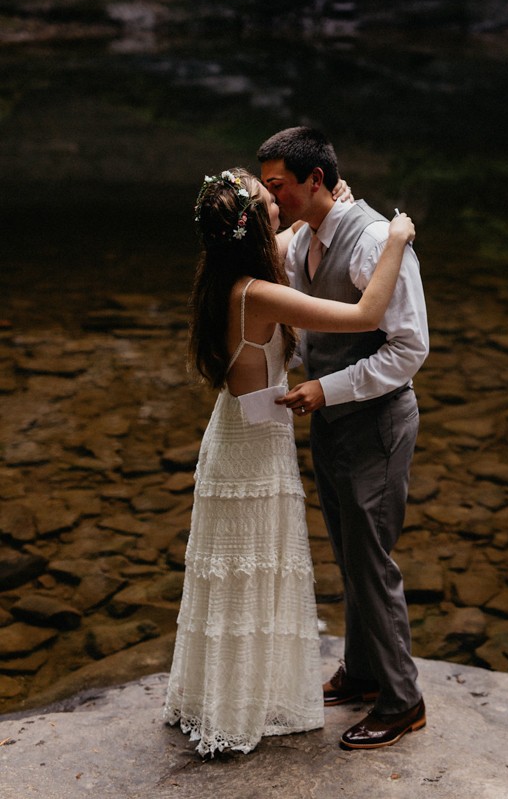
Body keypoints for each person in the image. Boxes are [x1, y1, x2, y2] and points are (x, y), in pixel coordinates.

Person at [163, 167, 416, 758]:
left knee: (232, 575)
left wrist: (326, 209)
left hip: (235, 435)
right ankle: (245, 701)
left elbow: (287, 234)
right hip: (254, 453)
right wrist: (398, 237)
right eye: (267, 201)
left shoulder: (221, 277)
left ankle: (222, 695)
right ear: (254, 229)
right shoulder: (261, 293)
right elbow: (363, 315)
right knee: (253, 571)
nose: (278, 203)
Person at [258, 127, 429, 751]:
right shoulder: (304, 233)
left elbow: (409, 350)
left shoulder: (374, 243)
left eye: (280, 187)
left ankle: (402, 699)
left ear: (317, 182)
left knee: (372, 560)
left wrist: (325, 390)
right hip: (332, 421)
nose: (274, 199)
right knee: (349, 550)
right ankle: (361, 671)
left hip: (376, 422)